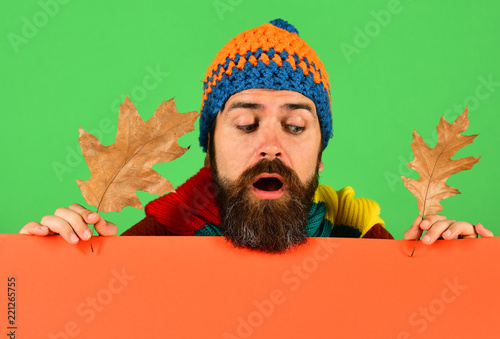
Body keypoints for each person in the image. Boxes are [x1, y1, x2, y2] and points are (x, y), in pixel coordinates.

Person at [19, 19, 494, 253]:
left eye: (295, 126)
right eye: (246, 124)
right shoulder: (150, 250)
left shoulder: (367, 246)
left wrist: (455, 277)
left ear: (321, 154)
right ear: (210, 147)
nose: (271, 145)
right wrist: (50, 277)